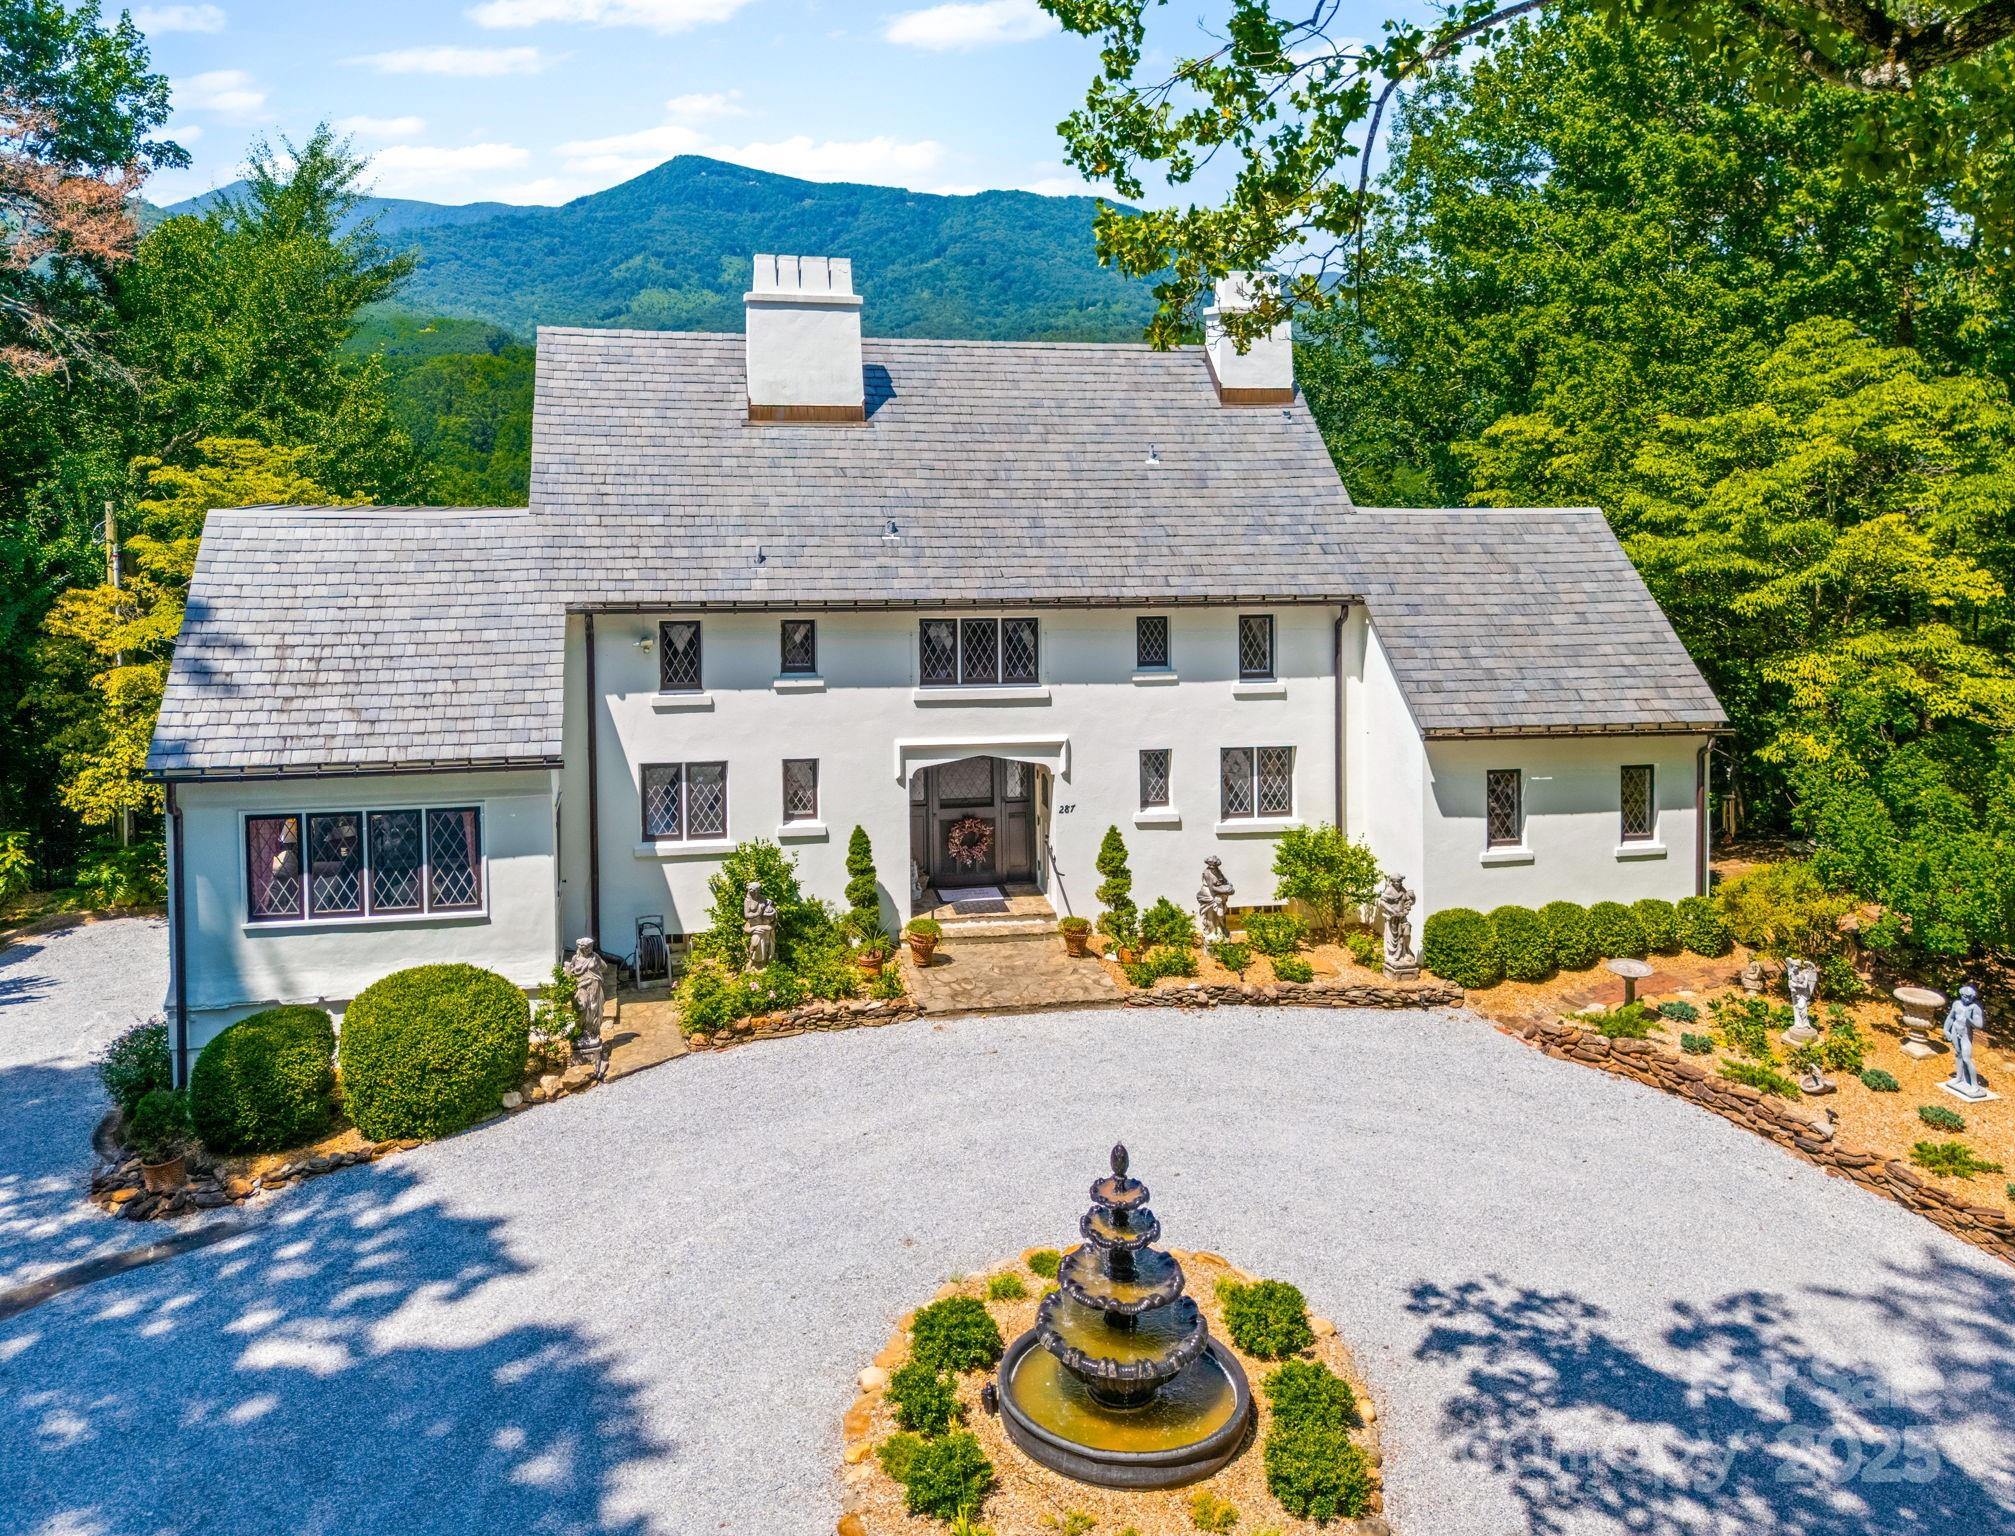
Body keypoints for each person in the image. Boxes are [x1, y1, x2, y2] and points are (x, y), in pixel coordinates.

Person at [1943, 984, 1987, 1097]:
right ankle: (1959, 1077)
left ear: (1973, 997)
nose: (1966, 999)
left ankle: (1975, 1085)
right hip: (1955, 1029)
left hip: (1965, 1034)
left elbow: (1979, 1025)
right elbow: (1951, 1017)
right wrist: (1946, 1029)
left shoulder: (1975, 1007)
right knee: (1958, 1054)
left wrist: (1969, 1018)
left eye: (1969, 997)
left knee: (1967, 1058)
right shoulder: (1957, 1004)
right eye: (1964, 996)